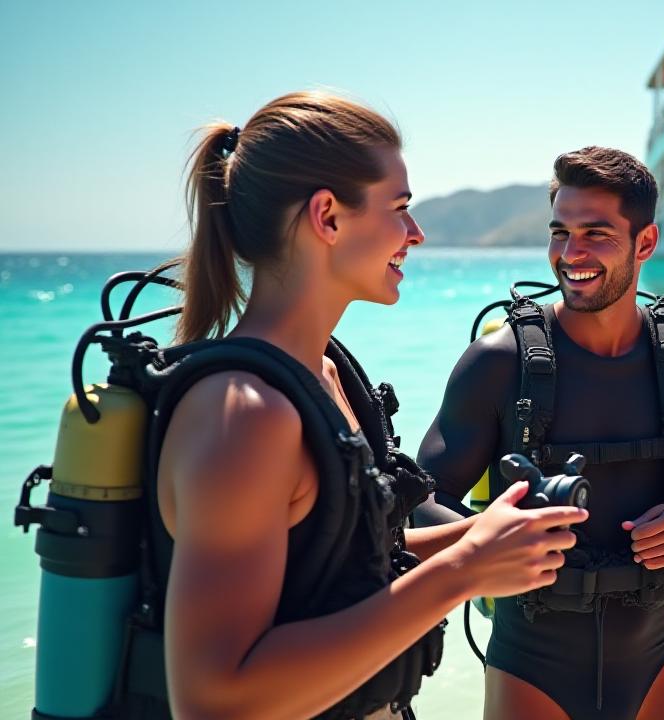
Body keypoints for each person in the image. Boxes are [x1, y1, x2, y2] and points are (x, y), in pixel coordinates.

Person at [151, 91, 586, 719]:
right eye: (400, 208)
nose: (416, 233)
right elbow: (214, 702)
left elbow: (338, 562)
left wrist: (483, 537)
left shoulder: (326, 373)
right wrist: (464, 571)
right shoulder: (246, 413)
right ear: (327, 217)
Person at [413, 146, 664, 720]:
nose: (571, 254)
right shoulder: (498, 364)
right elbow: (420, 500)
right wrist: (490, 541)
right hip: (529, 665)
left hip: (656, 657)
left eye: (595, 234)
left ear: (645, 243)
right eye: (560, 233)